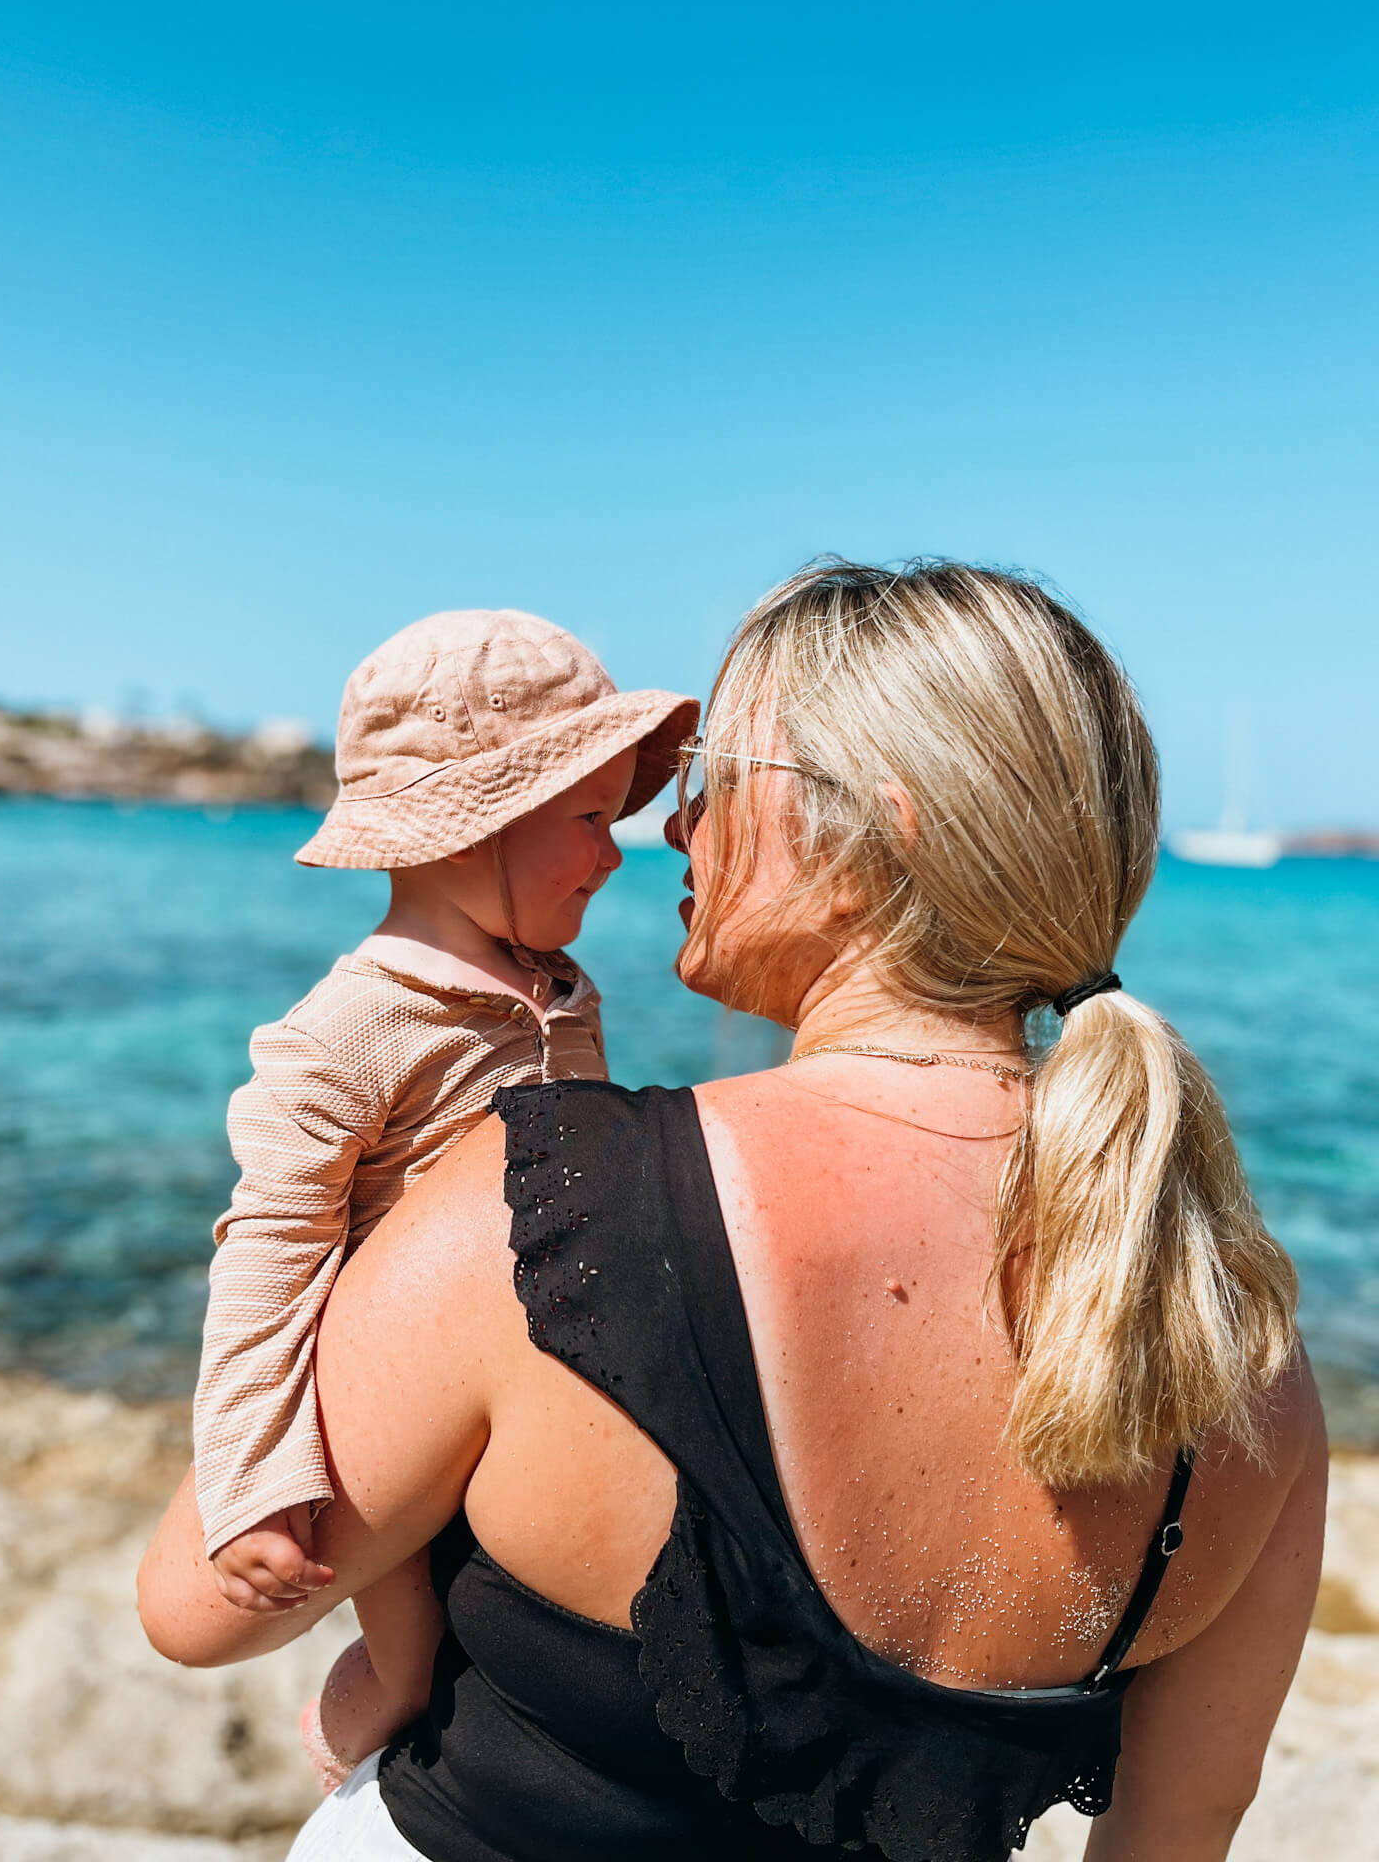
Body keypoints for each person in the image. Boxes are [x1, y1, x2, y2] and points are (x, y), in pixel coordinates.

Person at [143, 560, 1325, 1862]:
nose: (673, 831)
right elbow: (1183, 1826)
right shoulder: (1242, 1355)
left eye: (711, 783)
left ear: (867, 834)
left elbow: (201, 1610)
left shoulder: (547, 1215)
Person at [191, 606, 695, 1787]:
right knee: (413, 1650)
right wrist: (255, 1489)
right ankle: (367, 1748)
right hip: (395, 1390)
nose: (619, 850)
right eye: (588, 817)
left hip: (537, 1386)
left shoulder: (560, 986)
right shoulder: (346, 1033)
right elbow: (265, 1263)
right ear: (473, 831)